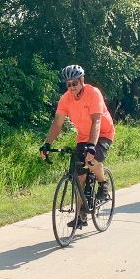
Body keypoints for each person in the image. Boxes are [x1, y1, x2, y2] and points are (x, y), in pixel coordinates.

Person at [39, 64, 115, 225]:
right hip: (82, 136)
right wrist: (47, 144)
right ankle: (80, 216)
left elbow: (96, 121)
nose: (71, 87)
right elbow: (58, 123)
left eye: (74, 83)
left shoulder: (93, 93)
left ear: (82, 81)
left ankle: (103, 183)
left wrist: (92, 146)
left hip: (103, 133)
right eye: (68, 84)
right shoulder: (65, 98)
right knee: (79, 177)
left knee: (91, 159)